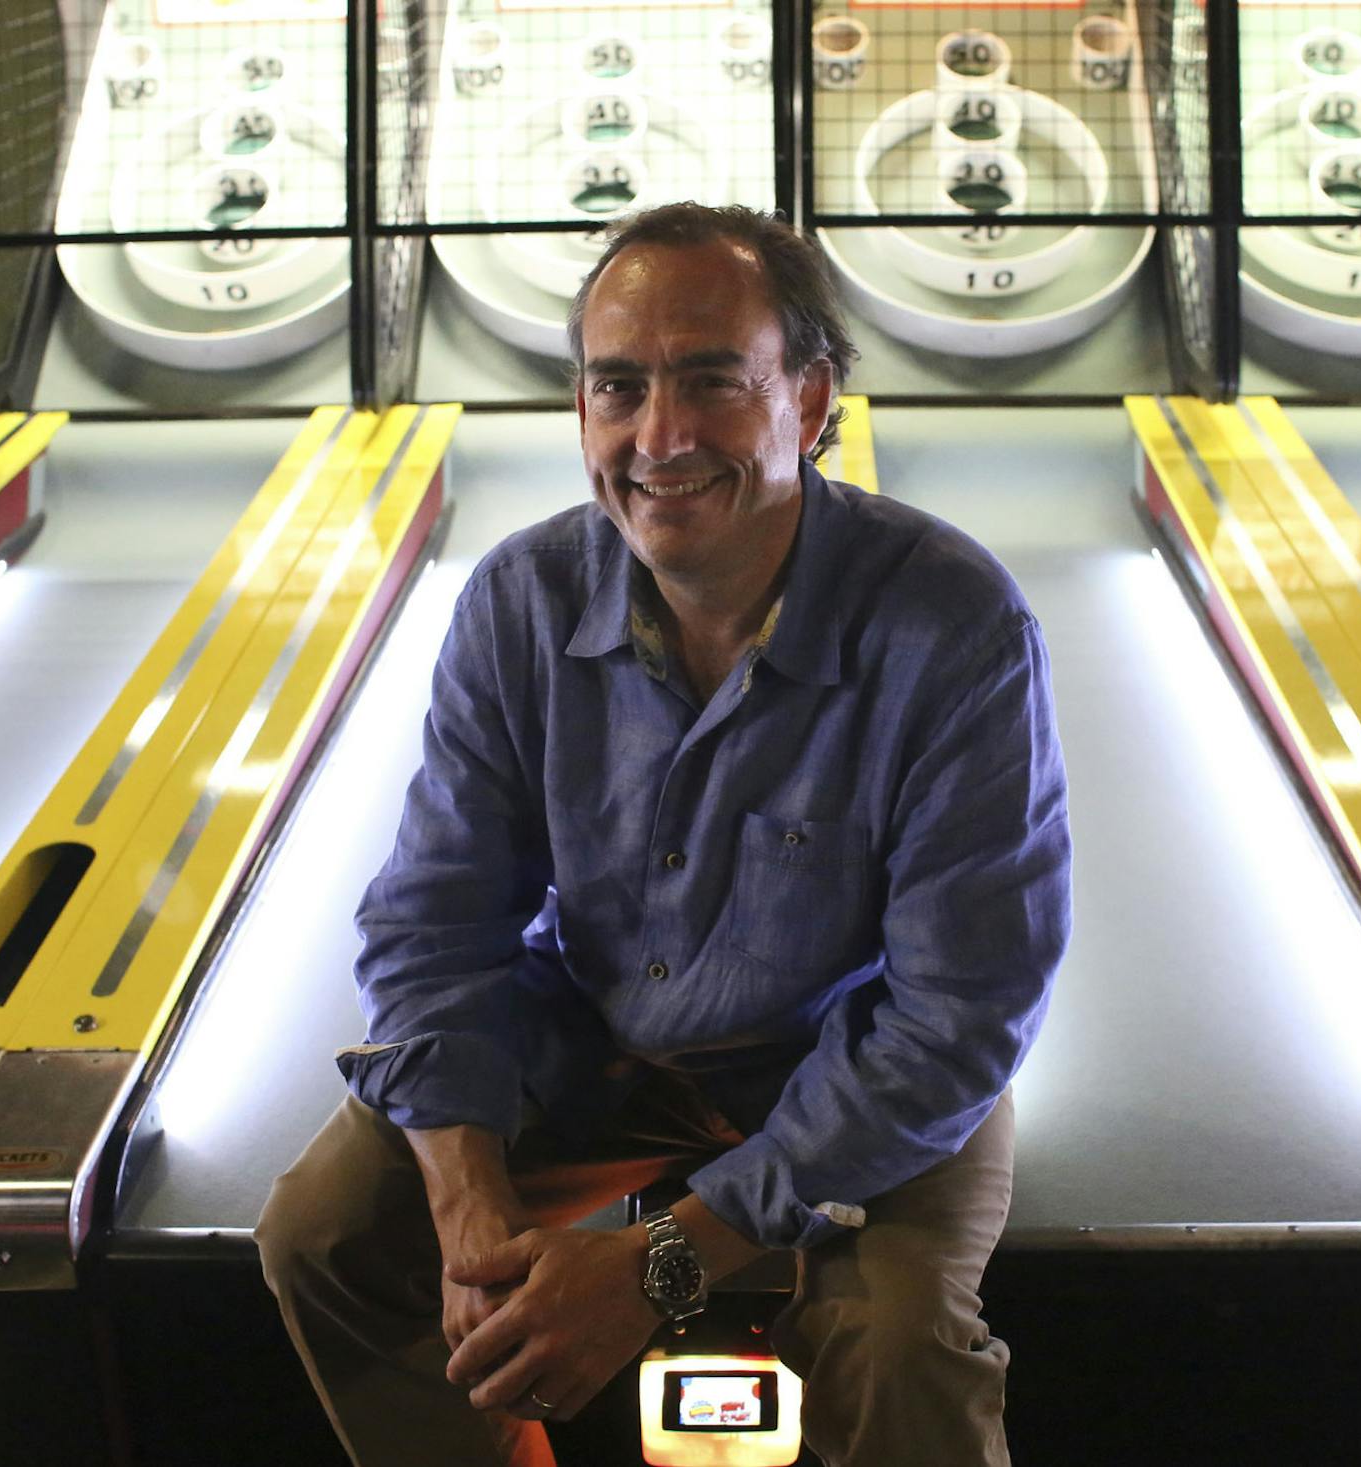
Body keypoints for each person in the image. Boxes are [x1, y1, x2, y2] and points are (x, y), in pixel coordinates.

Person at [254, 202, 1072, 1467]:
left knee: (903, 1340)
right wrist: (469, 1212)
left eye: (711, 384)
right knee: (323, 1233)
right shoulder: (519, 604)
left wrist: (662, 1265)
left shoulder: (954, 626)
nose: (661, 437)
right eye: (619, 387)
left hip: (853, 1064)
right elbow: (436, 922)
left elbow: (958, 1016)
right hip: (601, 1037)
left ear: (808, 402)